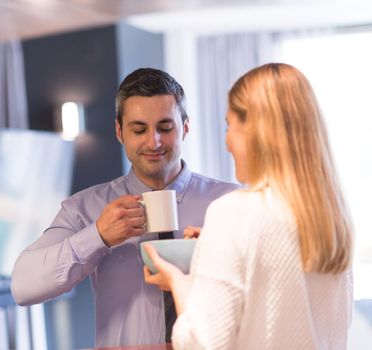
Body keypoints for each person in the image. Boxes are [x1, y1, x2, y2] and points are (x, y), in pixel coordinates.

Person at [11, 68, 238, 347]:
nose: (153, 141)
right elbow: (23, 287)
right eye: (139, 129)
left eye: (165, 128)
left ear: (185, 128)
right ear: (120, 131)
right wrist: (98, 236)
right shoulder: (84, 208)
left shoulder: (232, 204)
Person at [144, 63, 353, 349]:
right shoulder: (332, 221)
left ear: (257, 131)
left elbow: (203, 344)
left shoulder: (235, 213)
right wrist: (219, 247)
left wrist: (180, 284)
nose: (227, 142)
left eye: (230, 125)